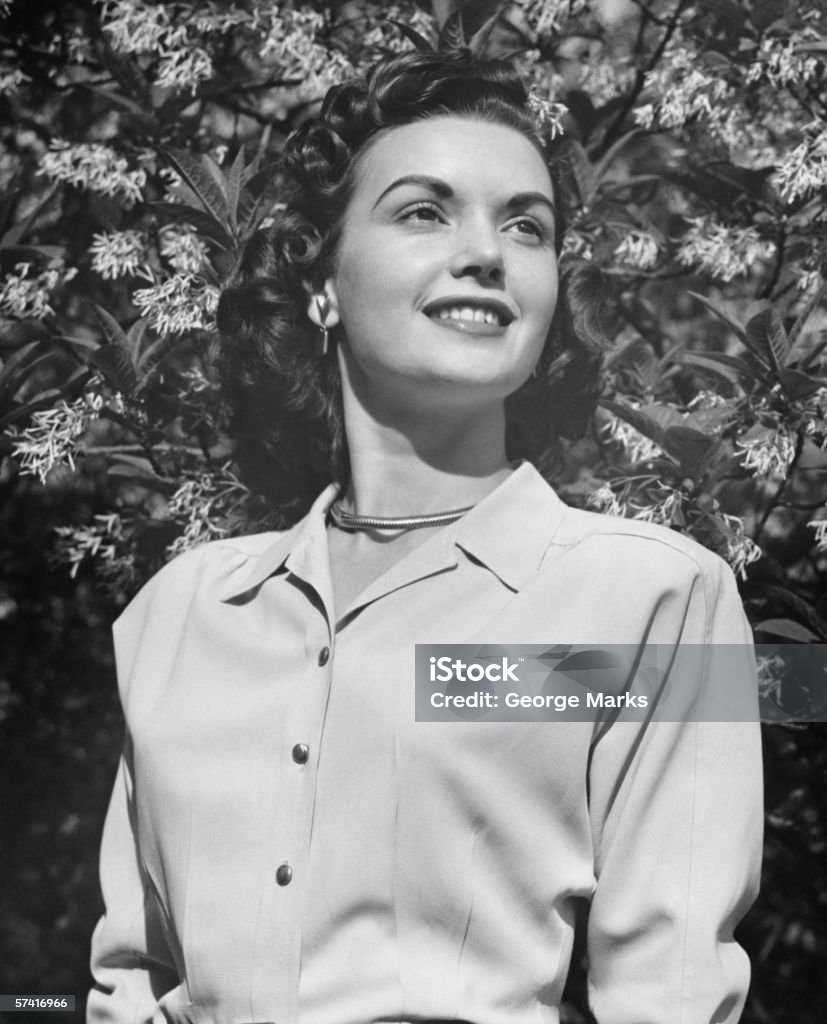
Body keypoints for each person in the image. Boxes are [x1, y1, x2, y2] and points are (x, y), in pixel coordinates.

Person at [88, 49, 762, 1024]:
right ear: (320, 284)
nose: (487, 251)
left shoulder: (665, 605)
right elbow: (129, 981)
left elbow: (672, 996)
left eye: (525, 225)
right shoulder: (177, 612)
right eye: (422, 210)